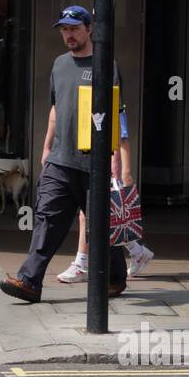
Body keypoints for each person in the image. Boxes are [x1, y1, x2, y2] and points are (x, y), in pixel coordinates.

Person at [0, 5, 128, 301]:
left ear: (89, 29)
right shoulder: (59, 64)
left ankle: (116, 277)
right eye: (64, 30)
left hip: (94, 161)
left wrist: (116, 157)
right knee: (47, 219)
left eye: (73, 29)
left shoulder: (105, 64)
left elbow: (116, 111)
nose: (68, 35)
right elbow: (56, 108)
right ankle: (29, 282)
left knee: (100, 225)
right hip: (60, 159)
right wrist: (46, 147)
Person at [57, 104, 155, 282]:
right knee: (102, 216)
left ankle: (81, 263)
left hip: (108, 167)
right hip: (101, 165)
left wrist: (122, 172)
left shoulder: (113, 100)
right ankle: (136, 251)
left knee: (92, 214)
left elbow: (122, 137)